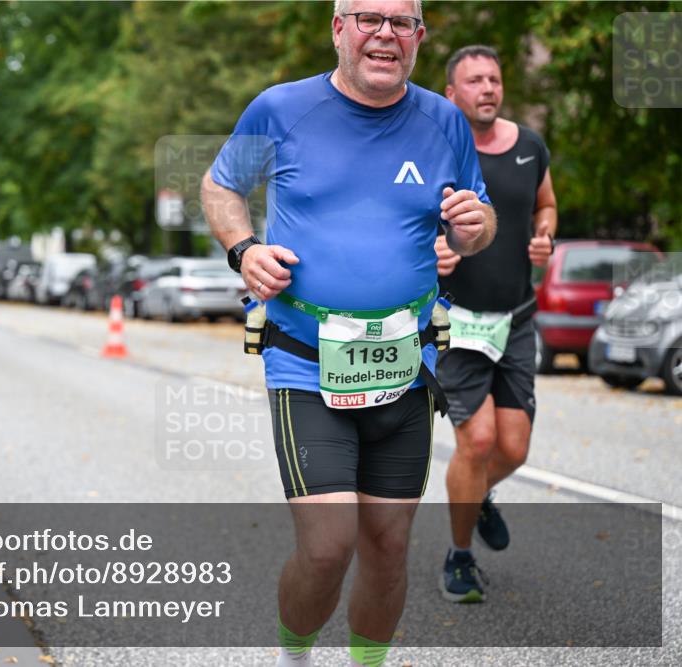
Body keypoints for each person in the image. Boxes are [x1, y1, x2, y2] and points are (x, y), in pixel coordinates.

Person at [201, 2, 496, 665]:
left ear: (419, 38)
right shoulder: (280, 109)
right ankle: (294, 654)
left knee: (389, 550)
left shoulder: (444, 121)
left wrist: (476, 227)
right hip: (306, 363)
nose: (385, 34)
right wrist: (244, 248)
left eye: (401, 23)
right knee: (328, 546)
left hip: (406, 366)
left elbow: (478, 220)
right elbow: (220, 187)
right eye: (368, 18)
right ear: (338, 30)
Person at [435, 45, 557, 603]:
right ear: (451, 93)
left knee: (514, 448)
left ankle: (475, 493)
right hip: (457, 319)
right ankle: (459, 557)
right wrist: (432, 248)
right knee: (477, 439)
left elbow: (545, 205)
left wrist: (545, 234)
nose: (488, 87)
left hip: (516, 317)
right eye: (474, 80)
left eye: (494, 78)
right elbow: (405, 218)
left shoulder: (530, 146)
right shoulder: (436, 149)